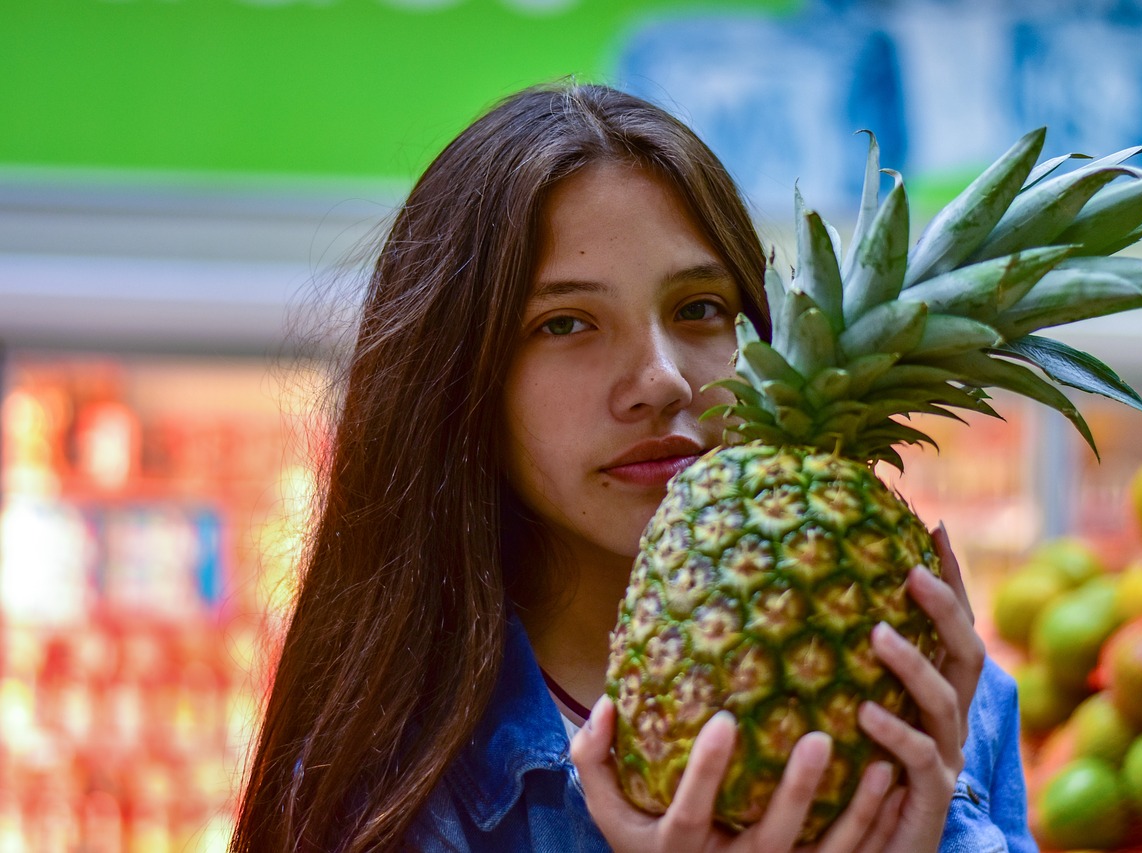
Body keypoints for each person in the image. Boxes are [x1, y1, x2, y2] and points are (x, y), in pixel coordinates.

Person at [231, 81, 1037, 852]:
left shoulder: (966, 709)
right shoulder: (395, 779)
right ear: (459, 376)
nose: (662, 378)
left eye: (698, 309)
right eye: (567, 322)